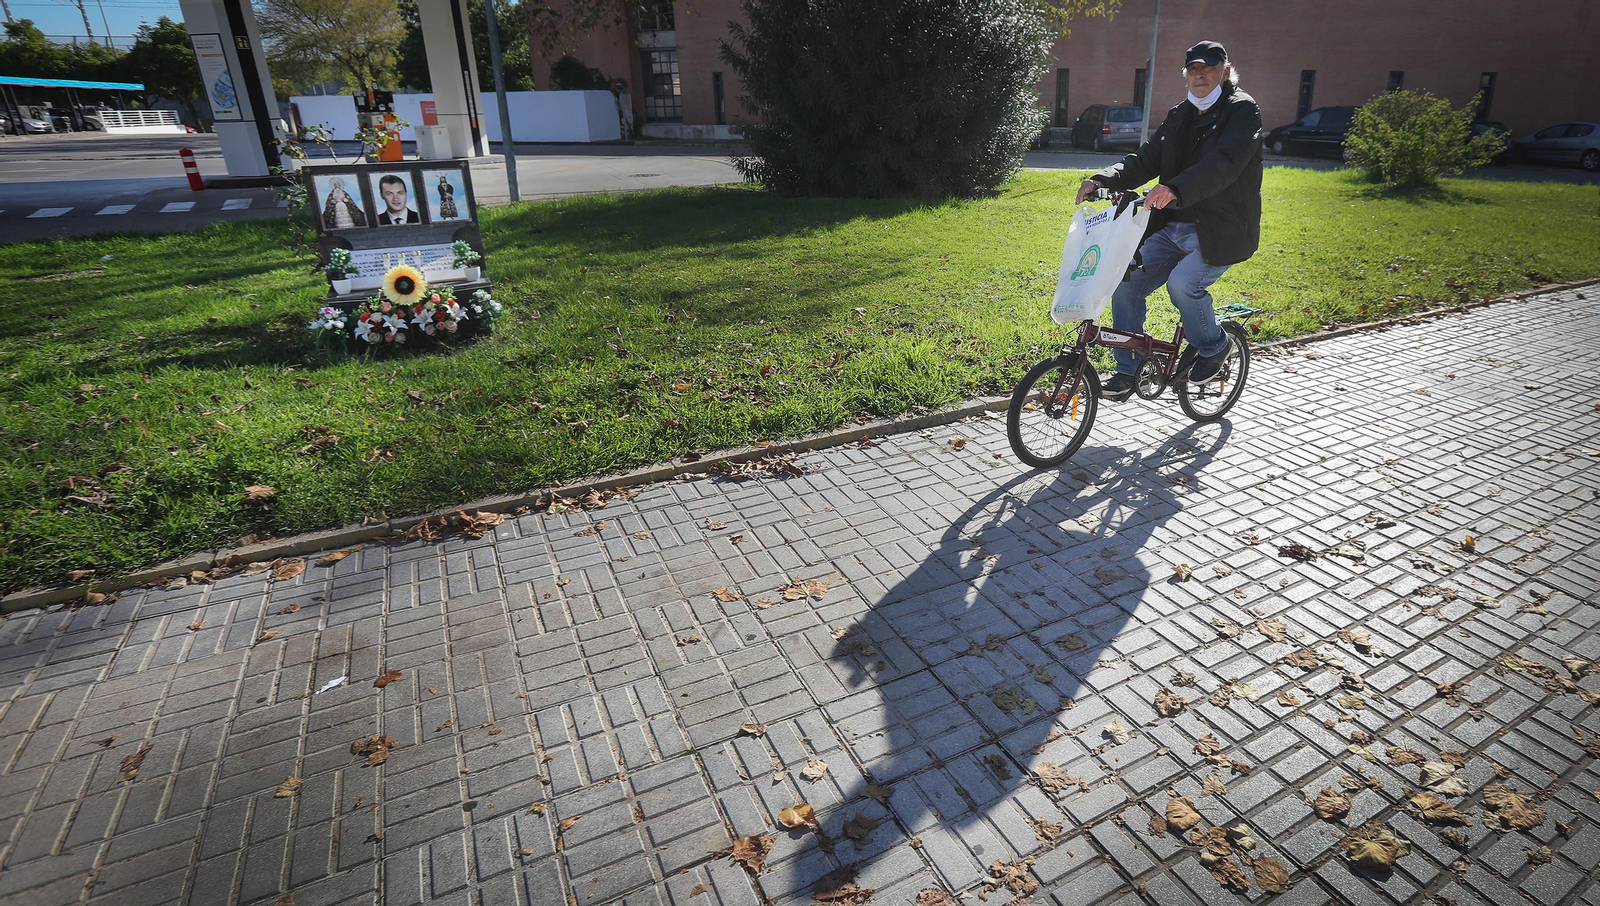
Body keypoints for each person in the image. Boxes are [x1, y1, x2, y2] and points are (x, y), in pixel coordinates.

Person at [1076, 40, 1263, 400]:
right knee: (1125, 284)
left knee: (1183, 285)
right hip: (1173, 226)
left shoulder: (1242, 112)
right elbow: (1146, 159)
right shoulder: (1180, 115)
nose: (1200, 75)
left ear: (1225, 71)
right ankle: (1128, 372)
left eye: (1208, 68)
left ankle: (1214, 344)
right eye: (1193, 69)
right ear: (1186, 75)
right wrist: (1103, 178)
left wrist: (1175, 188)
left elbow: (1222, 165)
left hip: (1220, 230)